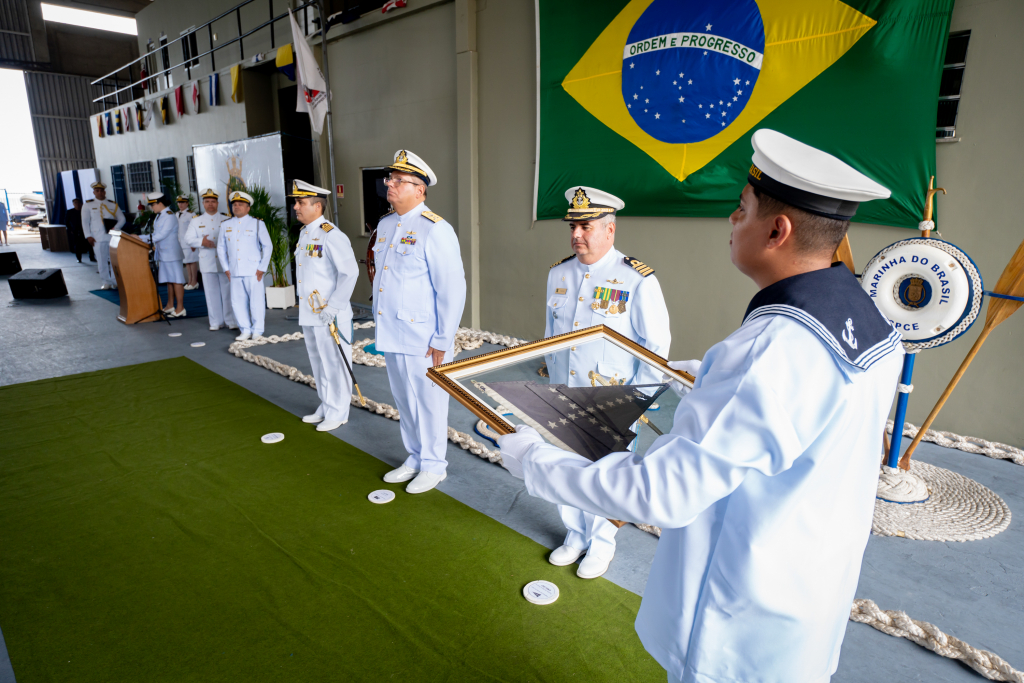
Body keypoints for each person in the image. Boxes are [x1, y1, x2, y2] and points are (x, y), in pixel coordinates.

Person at [497, 129, 903, 683]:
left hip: (737, 622)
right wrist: (708, 376)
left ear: (778, 230)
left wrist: (533, 462)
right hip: (807, 598)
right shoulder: (872, 324)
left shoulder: (768, 350)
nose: (732, 222)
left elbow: (660, 492)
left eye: (741, 209)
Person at [543, 186, 670, 580]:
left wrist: (640, 396)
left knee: (606, 473)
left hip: (615, 395)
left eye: (586, 226)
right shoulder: (559, 273)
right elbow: (550, 335)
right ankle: (576, 534)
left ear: (610, 230)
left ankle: (601, 543)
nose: (577, 234)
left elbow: (656, 344)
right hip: (565, 391)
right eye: (573, 226)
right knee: (567, 467)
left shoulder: (636, 279)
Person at [373, 150, 466, 494]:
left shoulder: (435, 229)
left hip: (424, 337)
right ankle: (414, 457)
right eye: (390, 179)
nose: (391, 185)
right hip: (393, 332)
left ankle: (433, 465)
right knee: (404, 400)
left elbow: (452, 289)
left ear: (420, 190)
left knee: (428, 403)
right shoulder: (385, 225)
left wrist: (443, 339)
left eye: (399, 181)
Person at [290, 180, 359, 432]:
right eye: (296, 202)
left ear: (317, 206)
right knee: (318, 362)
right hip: (311, 313)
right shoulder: (306, 232)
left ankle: (339, 411)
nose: (295, 207)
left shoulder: (331, 234)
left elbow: (349, 273)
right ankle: (327, 403)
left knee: (334, 363)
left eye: (301, 202)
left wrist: (334, 306)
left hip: (330, 314)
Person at [217, 190, 271, 341]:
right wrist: (226, 268)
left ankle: (257, 331)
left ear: (248, 208)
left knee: (256, 302)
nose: (237, 206)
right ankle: (245, 330)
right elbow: (221, 248)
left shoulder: (257, 224)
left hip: (254, 270)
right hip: (234, 270)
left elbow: (268, 246)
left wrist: (262, 268)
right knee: (237, 302)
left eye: (241, 204)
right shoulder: (225, 225)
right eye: (234, 204)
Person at [185, 188, 237, 331]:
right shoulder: (196, 221)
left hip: (224, 262)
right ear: (203, 203)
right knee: (211, 293)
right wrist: (202, 242)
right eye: (207, 201)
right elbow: (188, 238)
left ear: (217, 203)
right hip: (207, 261)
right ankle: (215, 322)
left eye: (213, 201)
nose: (210, 204)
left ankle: (230, 320)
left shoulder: (226, 218)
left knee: (228, 293)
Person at [140, 193, 186, 317]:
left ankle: (180, 308)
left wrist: (139, 238)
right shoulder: (159, 216)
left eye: (153, 205)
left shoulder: (169, 216)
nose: (151, 207)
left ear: (160, 203)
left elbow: (160, 235)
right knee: (169, 281)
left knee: (177, 280)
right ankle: (170, 305)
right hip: (164, 253)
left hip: (172, 254)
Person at [83, 181, 126, 290]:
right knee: (101, 261)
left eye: (101, 191)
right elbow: (85, 222)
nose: (100, 193)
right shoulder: (88, 204)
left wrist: (115, 228)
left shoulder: (112, 204)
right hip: (97, 237)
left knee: (114, 260)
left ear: (104, 192)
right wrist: (88, 235)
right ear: (94, 192)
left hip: (112, 237)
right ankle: (105, 281)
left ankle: (115, 281)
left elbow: (122, 219)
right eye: (97, 191)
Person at [176, 194, 199, 290]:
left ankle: (194, 282)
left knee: (192, 262)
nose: (180, 205)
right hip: (181, 242)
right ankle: (190, 281)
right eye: (179, 202)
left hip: (190, 242)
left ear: (187, 203)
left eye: (182, 202)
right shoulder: (177, 214)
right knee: (187, 263)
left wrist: (194, 242)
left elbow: (195, 228)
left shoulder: (191, 214)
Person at [65, 198, 95, 263]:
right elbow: (66, 222)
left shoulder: (85, 211)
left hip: (86, 230)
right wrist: (71, 230)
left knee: (90, 244)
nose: (77, 204)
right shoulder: (70, 212)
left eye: (78, 202)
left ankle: (92, 257)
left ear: (81, 203)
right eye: (75, 203)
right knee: (77, 246)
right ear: (73, 204)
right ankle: (79, 258)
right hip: (76, 231)